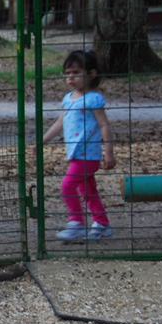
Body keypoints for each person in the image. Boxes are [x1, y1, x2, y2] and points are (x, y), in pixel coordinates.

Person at [42, 49, 117, 241]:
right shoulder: (68, 99)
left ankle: (76, 222)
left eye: (75, 72)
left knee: (67, 186)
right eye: (68, 73)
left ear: (91, 74)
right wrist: (43, 140)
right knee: (88, 190)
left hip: (88, 155)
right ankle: (102, 224)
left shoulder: (93, 99)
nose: (70, 77)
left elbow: (104, 125)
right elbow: (60, 123)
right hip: (75, 154)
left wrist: (109, 153)